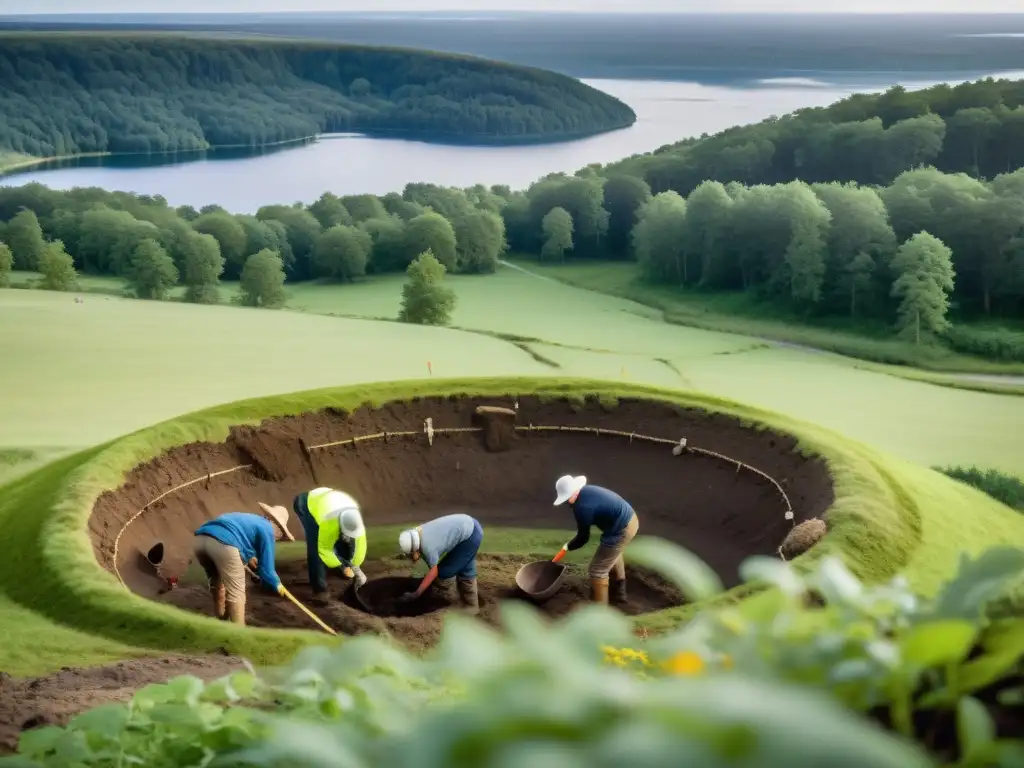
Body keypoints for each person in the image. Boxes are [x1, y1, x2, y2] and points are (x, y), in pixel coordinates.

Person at [192, 505, 295, 625]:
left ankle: (220, 618)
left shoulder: (251, 519)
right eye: (281, 534)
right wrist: (278, 585)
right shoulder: (268, 529)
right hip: (224, 545)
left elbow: (237, 535)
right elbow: (267, 570)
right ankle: (239, 632)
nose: (278, 537)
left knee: (217, 582)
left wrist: (249, 557)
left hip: (200, 541)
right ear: (277, 527)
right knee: (237, 592)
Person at [552, 475, 639, 605]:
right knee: (613, 554)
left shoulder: (582, 507)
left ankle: (600, 613)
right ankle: (619, 593)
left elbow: (583, 538)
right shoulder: (587, 491)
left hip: (622, 529)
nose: (567, 502)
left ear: (574, 492)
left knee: (597, 570)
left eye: (566, 499)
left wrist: (568, 546)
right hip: (630, 519)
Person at [291, 487, 367, 605]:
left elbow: (360, 547)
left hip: (331, 502)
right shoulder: (329, 523)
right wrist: (340, 565)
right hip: (307, 504)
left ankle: (344, 565)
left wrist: (356, 569)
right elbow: (324, 549)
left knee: (344, 541)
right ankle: (319, 590)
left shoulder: (357, 521)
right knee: (315, 546)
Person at [397, 513, 484, 615]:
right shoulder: (416, 532)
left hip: (471, 536)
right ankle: (470, 604)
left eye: (411, 552)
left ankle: (451, 600)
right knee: (464, 563)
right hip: (469, 525)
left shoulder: (428, 547)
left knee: (445, 572)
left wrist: (417, 593)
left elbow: (433, 572)